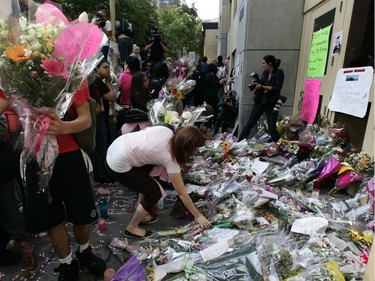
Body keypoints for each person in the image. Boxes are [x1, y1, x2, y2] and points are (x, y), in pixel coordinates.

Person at [0, 85, 107, 280]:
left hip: (71, 154)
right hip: (36, 154)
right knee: (51, 217)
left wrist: (63, 127)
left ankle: (85, 252)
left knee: (82, 212)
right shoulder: (13, 71)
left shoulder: (74, 72)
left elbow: (86, 119)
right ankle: (66, 264)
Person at [105, 125, 211, 239]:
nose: (195, 152)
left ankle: (142, 214)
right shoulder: (170, 158)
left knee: (147, 184)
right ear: (186, 146)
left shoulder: (166, 131)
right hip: (117, 163)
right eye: (194, 148)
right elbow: (182, 193)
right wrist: (198, 216)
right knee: (154, 192)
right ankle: (132, 228)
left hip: (118, 145)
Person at [238, 55, 284, 142]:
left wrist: (262, 86)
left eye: (263, 63)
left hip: (271, 103)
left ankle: (279, 146)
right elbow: (264, 85)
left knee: (272, 128)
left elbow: (277, 88)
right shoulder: (265, 73)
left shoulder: (279, 72)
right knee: (250, 123)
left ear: (270, 63)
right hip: (261, 101)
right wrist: (257, 84)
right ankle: (239, 142)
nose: (262, 65)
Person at [89, 59, 117, 183]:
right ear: (97, 68)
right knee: (100, 146)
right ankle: (101, 174)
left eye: (109, 68)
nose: (108, 70)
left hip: (96, 116)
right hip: (98, 116)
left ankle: (100, 173)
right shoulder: (97, 81)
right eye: (105, 67)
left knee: (99, 145)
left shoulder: (94, 80)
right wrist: (109, 83)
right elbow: (112, 97)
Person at [116, 56, 141, 132]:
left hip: (122, 107)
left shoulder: (121, 76)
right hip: (137, 107)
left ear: (127, 65)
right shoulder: (139, 77)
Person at [203, 63, 227, 128]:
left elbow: (217, 81)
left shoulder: (213, 75)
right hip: (209, 96)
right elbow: (216, 83)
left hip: (214, 95)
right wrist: (221, 80)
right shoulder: (209, 76)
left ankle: (214, 124)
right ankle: (209, 125)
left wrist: (222, 80)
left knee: (215, 110)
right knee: (210, 110)